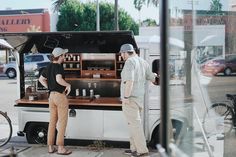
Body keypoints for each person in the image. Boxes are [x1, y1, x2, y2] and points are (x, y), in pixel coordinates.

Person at [119, 43, 157, 157]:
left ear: (126, 53)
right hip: (139, 99)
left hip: (130, 99)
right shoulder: (143, 62)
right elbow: (153, 78)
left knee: (135, 126)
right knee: (132, 124)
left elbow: (129, 81)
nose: (121, 56)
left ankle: (142, 151)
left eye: (122, 54)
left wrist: (125, 97)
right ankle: (134, 149)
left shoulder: (130, 62)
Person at [39, 47, 72, 155]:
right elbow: (58, 79)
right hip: (59, 96)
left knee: (52, 122)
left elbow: (41, 79)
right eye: (63, 55)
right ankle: (61, 148)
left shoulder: (48, 67)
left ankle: (50, 147)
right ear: (60, 56)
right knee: (62, 122)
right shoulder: (58, 67)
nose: (64, 57)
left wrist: (49, 87)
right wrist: (68, 85)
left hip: (51, 97)